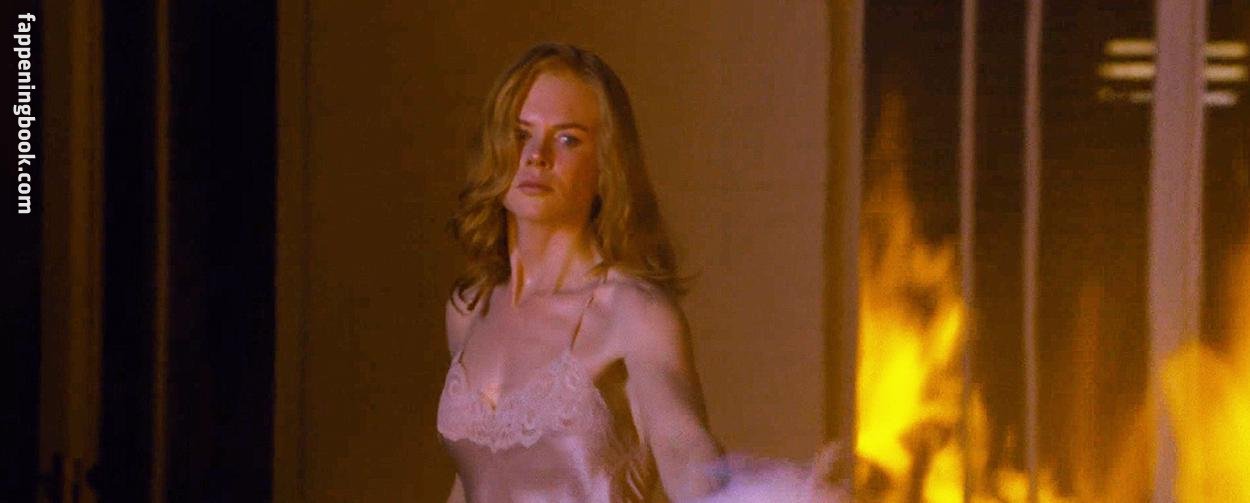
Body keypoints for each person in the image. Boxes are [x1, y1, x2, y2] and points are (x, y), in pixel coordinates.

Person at [439, 42, 841, 503]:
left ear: (605, 163)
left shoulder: (632, 311)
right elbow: (475, 478)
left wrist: (771, 494)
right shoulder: (469, 308)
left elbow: (684, 450)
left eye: (568, 139)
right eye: (519, 133)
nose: (536, 155)